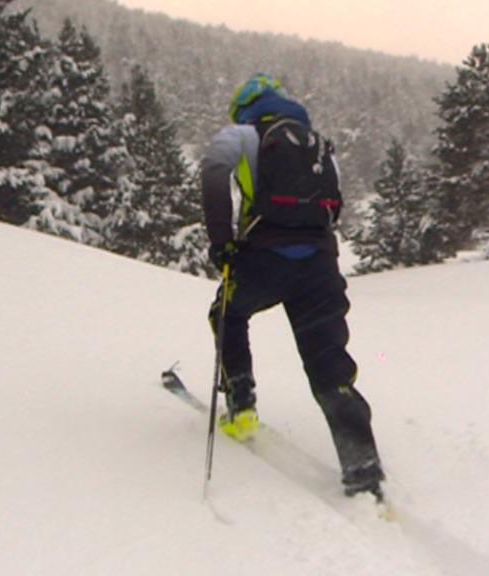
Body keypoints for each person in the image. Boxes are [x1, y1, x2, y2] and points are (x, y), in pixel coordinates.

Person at [200, 73, 385, 497]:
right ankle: (363, 464)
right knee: (328, 360)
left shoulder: (242, 134)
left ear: (243, 106)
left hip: (264, 258)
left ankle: (242, 405)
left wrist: (221, 241)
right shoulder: (315, 142)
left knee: (227, 313)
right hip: (319, 264)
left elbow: (213, 173)